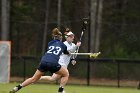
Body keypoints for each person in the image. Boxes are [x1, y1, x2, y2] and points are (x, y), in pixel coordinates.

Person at [9, 28, 70, 93]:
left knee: (33, 79)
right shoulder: (63, 45)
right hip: (53, 63)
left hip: (43, 61)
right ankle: (60, 91)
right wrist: (69, 53)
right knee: (65, 74)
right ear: (61, 38)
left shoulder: (50, 43)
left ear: (54, 38)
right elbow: (66, 52)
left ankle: (17, 88)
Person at [40, 28, 81, 93]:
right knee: (66, 74)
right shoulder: (64, 44)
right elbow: (69, 51)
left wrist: (72, 59)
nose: (72, 37)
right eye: (71, 36)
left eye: (73, 36)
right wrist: (76, 46)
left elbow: (71, 54)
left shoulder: (73, 45)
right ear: (67, 37)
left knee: (53, 78)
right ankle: (60, 90)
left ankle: (40, 78)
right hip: (60, 63)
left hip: (65, 64)